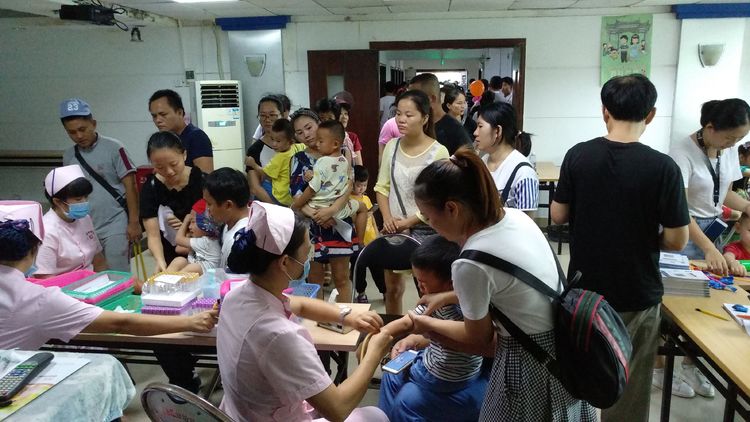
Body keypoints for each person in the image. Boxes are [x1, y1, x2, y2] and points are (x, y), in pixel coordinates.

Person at [408, 147, 596, 421]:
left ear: (452, 208)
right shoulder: (515, 217)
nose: (430, 225)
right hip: (563, 347)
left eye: (428, 217)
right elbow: (511, 289)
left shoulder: (470, 262)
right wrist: (447, 297)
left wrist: (425, 323)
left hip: (528, 362)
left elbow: (478, 337)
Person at [551, 74, 690, 421]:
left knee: (582, 375)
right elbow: (678, 240)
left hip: (585, 292)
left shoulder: (578, 155)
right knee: (629, 387)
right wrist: (643, 236)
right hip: (636, 292)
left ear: (605, 111)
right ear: (650, 115)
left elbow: (557, 215)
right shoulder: (664, 168)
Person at [217, 201, 392, 422]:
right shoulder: (279, 335)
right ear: (284, 263)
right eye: (307, 249)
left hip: (239, 413)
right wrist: (374, 354)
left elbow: (298, 304)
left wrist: (346, 315)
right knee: (375, 416)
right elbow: (338, 409)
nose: (311, 253)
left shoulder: (238, 294)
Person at [0, 200, 218, 351]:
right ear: (34, 250)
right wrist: (190, 322)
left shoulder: (32, 293)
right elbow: (121, 323)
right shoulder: (38, 299)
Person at [378, 235, 487, 422]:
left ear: (451, 282)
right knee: (397, 369)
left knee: (394, 374)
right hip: (470, 372)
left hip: (438, 377)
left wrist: (384, 332)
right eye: (417, 280)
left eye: (423, 282)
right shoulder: (472, 306)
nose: (419, 287)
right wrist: (414, 339)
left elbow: (407, 322)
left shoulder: (433, 304)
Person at [375, 90, 449, 315]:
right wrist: (388, 219)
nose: (401, 119)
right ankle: (393, 332)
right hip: (393, 228)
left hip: (426, 231)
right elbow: (382, 187)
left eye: (409, 115)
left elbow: (439, 199)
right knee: (392, 289)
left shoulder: (439, 152)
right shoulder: (391, 146)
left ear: (425, 118)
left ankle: (428, 333)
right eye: (398, 114)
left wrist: (408, 222)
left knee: (426, 292)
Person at [59, 98, 140, 272]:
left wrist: (134, 222)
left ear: (93, 124)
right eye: (72, 132)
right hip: (85, 225)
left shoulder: (115, 148)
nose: (78, 136)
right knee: (94, 273)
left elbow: (131, 186)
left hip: (115, 221)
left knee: (118, 270)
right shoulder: (68, 156)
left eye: (82, 129)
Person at [292, 121, 366, 302]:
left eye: (309, 128)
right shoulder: (298, 158)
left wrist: (331, 211)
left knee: (340, 278)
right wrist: (318, 215)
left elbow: (348, 187)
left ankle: (344, 316)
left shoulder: (341, 157)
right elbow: (296, 193)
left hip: (337, 221)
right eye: (299, 132)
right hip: (313, 223)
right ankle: (322, 317)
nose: (307, 135)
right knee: (315, 279)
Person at [140, 132, 205, 274]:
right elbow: (153, 235)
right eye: (160, 167)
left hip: (202, 254)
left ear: (184, 155)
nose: (169, 172)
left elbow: (215, 227)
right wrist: (160, 260)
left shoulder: (202, 182)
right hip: (169, 252)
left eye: (174, 164)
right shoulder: (151, 188)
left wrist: (185, 230)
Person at [34, 165, 108, 277]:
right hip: (61, 286)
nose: (84, 202)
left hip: (90, 282)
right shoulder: (47, 231)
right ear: (58, 202)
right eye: (78, 199)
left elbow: (98, 259)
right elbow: (44, 277)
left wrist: (106, 282)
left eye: (86, 197)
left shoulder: (85, 219)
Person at [474, 102, 538, 215]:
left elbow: (525, 222)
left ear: (497, 131)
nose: (475, 133)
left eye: (480, 126)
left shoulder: (523, 172)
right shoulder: (483, 161)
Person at [148, 89, 213, 174]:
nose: (158, 120)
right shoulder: (164, 141)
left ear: (179, 112)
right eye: (154, 116)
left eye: (163, 115)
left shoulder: (196, 137)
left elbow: (205, 177)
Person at [408, 73, 473, 155]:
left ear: (431, 99)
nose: (409, 102)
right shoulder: (417, 125)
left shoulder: (455, 131)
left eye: (414, 98)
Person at [249, 118, 306, 206]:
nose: (274, 144)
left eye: (278, 141)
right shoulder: (297, 147)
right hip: (298, 190)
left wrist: (253, 164)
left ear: (290, 141)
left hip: (282, 196)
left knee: (261, 184)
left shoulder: (279, 158)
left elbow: (265, 173)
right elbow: (305, 146)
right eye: (272, 139)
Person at [202, 168, 251, 270]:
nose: (207, 209)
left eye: (209, 204)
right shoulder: (228, 224)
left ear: (228, 205)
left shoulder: (239, 240)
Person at [350, 165, 383, 303]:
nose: (362, 188)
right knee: (359, 269)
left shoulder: (366, 199)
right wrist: (361, 215)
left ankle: (385, 291)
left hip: (372, 240)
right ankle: (361, 293)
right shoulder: (348, 199)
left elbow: (372, 218)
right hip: (357, 242)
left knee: (378, 268)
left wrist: (377, 233)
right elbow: (351, 219)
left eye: (364, 185)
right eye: (358, 185)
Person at [166, 199, 221, 275]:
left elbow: (179, 240)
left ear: (204, 224)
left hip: (208, 277)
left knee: (194, 267)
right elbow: (178, 249)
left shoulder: (207, 242)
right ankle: (164, 279)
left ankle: (171, 280)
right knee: (179, 260)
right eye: (189, 222)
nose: (189, 227)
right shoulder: (198, 239)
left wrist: (185, 221)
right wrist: (190, 233)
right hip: (193, 275)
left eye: (193, 222)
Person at [334, 91, 364, 166]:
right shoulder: (327, 139)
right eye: (340, 114)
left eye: (346, 114)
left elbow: (359, 165)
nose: (344, 117)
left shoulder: (352, 137)